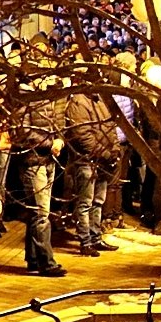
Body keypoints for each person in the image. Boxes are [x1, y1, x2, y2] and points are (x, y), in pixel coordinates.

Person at [65, 83, 123, 256]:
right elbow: (83, 135)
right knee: (85, 202)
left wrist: (115, 150)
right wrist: (105, 153)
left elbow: (111, 127)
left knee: (98, 201)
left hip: (103, 161)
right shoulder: (78, 103)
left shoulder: (100, 100)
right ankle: (85, 241)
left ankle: (95, 236)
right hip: (86, 160)